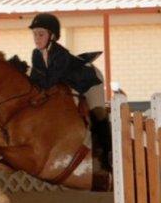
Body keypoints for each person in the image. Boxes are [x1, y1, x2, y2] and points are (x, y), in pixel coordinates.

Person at [28, 13, 112, 171]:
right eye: (35, 34)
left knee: (98, 113)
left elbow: (48, 82)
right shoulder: (36, 55)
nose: (36, 38)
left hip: (89, 81)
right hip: (67, 85)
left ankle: (108, 155)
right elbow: (36, 82)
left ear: (52, 36)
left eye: (41, 34)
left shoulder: (60, 55)